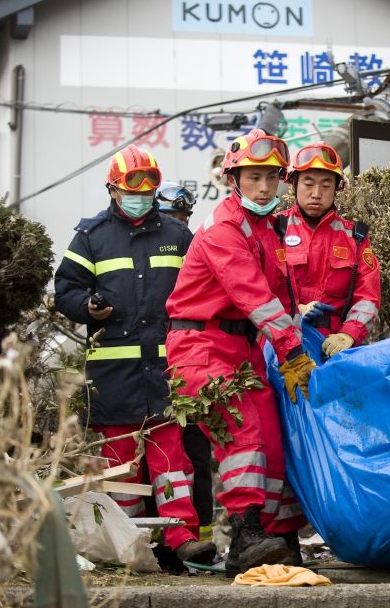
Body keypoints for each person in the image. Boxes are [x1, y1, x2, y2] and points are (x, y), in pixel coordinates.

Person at [164, 129, 317, 578]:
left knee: (271, 434)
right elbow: (256, 298)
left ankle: (277, 535)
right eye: (255, 177)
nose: (265, 188)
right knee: (242, 429)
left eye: (272, 178)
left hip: (242, 347)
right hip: (199, 345)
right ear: (235, 179)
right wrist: (292, 352)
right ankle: (246, 534)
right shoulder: (224, 230)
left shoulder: (266, 229)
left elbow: (283, 299)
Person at [53, 144, 216, 565]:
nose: (142, 192)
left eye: (150, 185)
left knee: (171, 457)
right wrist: (86, 305)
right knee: (120, 461)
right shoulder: (91, 237)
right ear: (113, 188)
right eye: (133, 185)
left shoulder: (178, 236)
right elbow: (65, 290)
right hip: (114, 372)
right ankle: (129, 544)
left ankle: (181, 537)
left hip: (167, 369)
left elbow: (204, 283)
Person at [153, 180, 215, 546]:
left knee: (196, 456)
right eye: (171, 216)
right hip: (151, 373)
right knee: (161, 459)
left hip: (187, 368)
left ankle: (200, 538)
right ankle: (166, 540)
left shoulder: (194, 246)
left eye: (182, 216)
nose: (177, 223)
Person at [276, 142, 381, 356]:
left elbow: (367, 298)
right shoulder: (274, 229)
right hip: (280, 342)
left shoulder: (356, 238)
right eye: (308, 183)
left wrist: (349, 334)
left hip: (333, 348)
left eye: (326, 185)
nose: (316, 193)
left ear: (336, 188)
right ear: (294, 184)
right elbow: (257, 289)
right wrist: (294, 308)